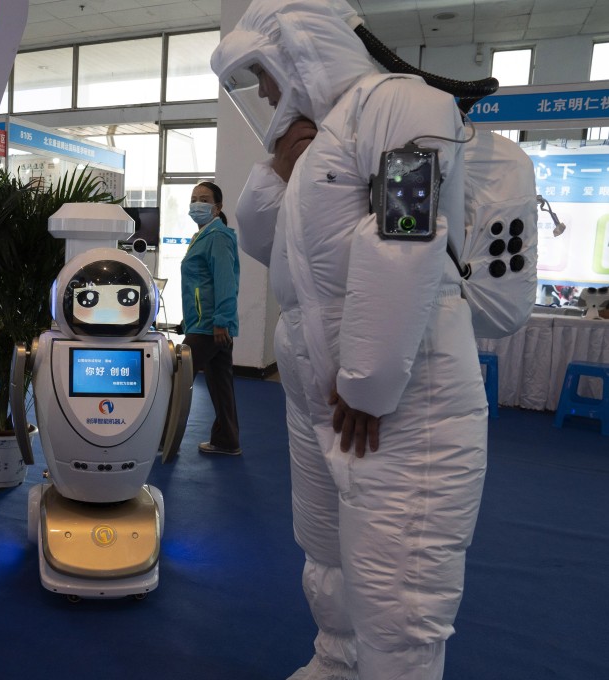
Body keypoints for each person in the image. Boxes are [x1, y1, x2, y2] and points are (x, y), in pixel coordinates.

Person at [213, 2, 488, 679]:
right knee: (330, 558)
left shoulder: (401, 107)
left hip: (401, 406)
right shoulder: (314, 146)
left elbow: (405, 239)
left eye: (265, 74)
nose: (265, 93)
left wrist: (368, 381)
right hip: (332, 403)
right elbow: (264, 247)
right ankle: (336, 664)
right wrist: (276, 168)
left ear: (299, 52)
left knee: (399, 600)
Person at [180, 181, 242, 455]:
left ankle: (161, 439)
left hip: (209, 326)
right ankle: (227, 440)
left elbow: (225, 281)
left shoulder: (217, 236)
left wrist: (221, 321)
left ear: (217, 207)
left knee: (176, 380)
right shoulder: (204, 234)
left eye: (203, 199)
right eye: (194, 199)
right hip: (207, 324)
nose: (197, 204)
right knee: (220, 385)